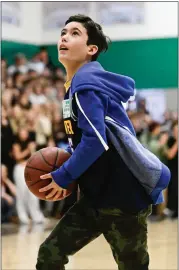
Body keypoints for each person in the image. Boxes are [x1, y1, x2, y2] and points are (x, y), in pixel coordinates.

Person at [36, 15, 168, 270]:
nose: (64, 36)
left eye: (74, 33)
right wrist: (73, 176)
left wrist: (63, 175)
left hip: (122, 199)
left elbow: (96, 141)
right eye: (63, 32)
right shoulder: (74, 86)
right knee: (49, 256)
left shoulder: (85, 85)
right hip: (95, 197)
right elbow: (82, 141)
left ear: (91, 49)